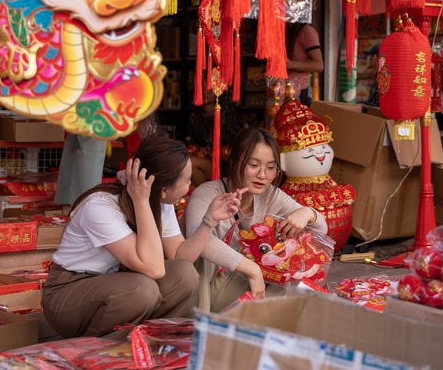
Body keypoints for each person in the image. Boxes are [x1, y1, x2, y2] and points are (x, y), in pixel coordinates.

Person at [42, 137, 243, 338]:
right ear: (164, 190)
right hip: (67, 293)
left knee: (184, 274)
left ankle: (141, 341)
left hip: (116, 284)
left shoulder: (160, 203)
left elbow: (180, 256)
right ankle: (91, 347)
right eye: (187, 181)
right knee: (142, 289)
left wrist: (209, 220)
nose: (190, 185)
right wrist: (141, 202)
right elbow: (154, 269)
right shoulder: (100, 207)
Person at [185, 127, 329, 312]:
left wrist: (308, 213)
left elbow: (321, 231)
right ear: (234, 161)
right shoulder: (208, 193)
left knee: (300, 266)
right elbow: (197, 240)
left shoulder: (271, 195)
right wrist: (251, 269)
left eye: (271, 167)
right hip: (208, 289)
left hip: (249, 287)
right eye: (254, 165)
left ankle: (264, 318)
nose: (262, 175)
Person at [285, 23, 323, 105]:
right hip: (281, 89)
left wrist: (291, 64)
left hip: (298, 91)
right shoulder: (284, 29)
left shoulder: (306, 31)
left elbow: (319, 65)